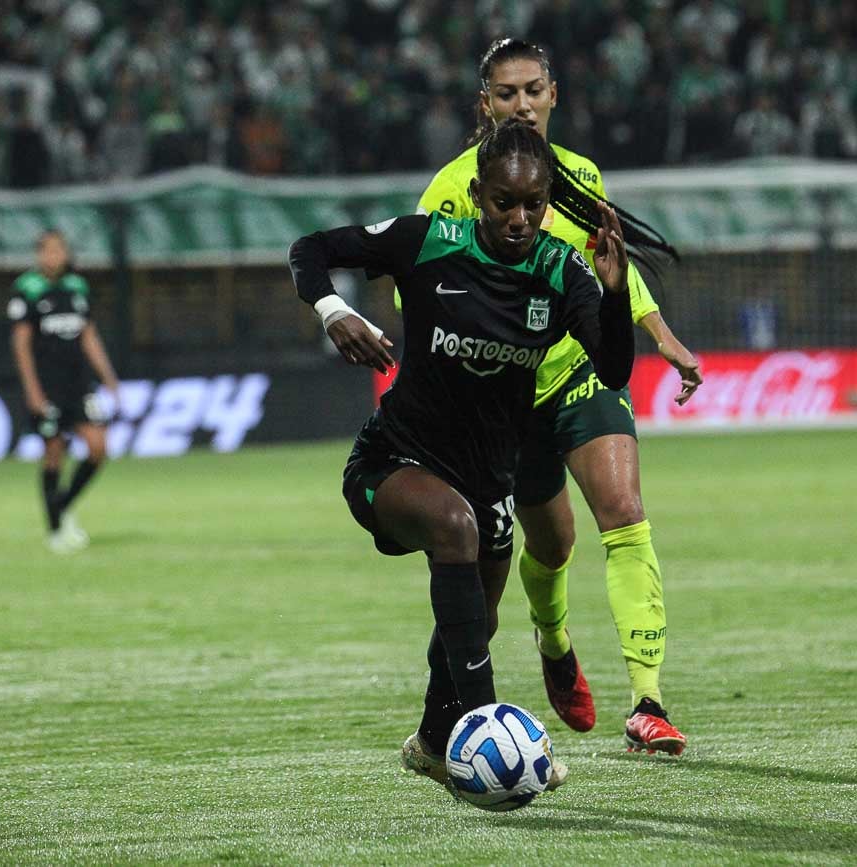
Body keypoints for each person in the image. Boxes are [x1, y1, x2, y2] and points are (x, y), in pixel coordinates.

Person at [289, 119, 635, 794]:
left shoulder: (562, 272)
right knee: (455, 529)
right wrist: (334, 311)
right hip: (390, 463)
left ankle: (431, 739)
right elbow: (310, 248)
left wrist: (615, 290)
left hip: (489, 481)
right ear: (478, 193)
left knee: (476, 615)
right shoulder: (426, 243)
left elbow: (614, 365)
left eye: (533, 204)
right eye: (504, 201)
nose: (519, 217)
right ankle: (490, 735)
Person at [415, 38, 701, 756]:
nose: (522, 105)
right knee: (553, 544)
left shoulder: (578, 176)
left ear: (552, 95)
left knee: (625, 511)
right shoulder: (451, 189)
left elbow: (607, 272)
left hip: (577, 374)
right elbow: (418, 294)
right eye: (506, 94)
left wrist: (659, 334)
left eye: (533, 90)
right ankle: (553, 637)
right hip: (503, 398)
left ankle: (648, 700)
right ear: (485, 105)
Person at [9, 230, 119, 553]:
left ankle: (63, 505)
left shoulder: (77, 287)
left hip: (79, 383)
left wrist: (108, 377)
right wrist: (32, 390)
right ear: (38, 255)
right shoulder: (26, 289)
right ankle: (55, 530)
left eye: (58, 251)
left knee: (98, 448)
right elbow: (21, 343)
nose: (53, 257)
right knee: (54, 451)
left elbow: (88, 336)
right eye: (47, 251)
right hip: (47, 385)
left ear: (66, 254)